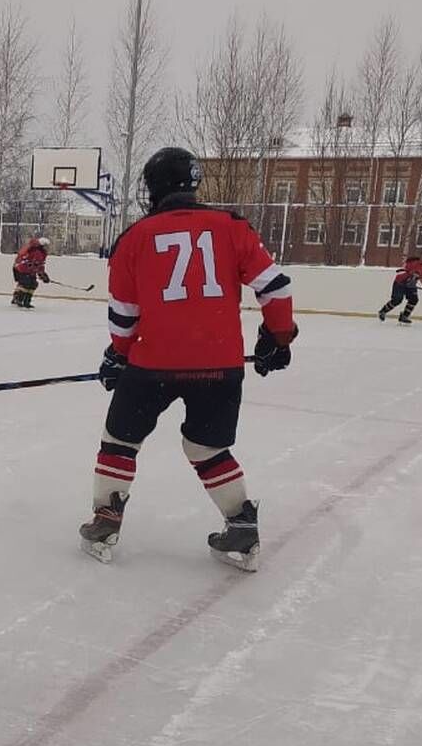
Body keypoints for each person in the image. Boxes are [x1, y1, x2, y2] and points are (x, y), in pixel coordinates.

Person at [79, 147, 296, 571]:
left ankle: (106, 522)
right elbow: (277, 287)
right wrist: (278, 338)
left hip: (153, 363)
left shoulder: (135, 237)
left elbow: (124, 314)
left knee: (120, 440)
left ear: (153, 188)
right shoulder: (232, 226)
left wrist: (117, 356)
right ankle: (241, 529)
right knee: (206, 447)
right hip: (220, 366)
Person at [378, 250, 422, 323]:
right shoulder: (412, 262)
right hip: (400, 283)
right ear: (421, 256)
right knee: (397, 300)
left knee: (414, 299)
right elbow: (402, 271)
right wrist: (408, 278)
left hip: (411, 286)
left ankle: (404, 316)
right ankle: (382, 311)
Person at [11, 236, 51, 308]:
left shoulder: (41, 253)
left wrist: (43, 274)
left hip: (27, 270)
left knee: (33, 284)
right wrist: (40, 273)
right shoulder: (34, 251)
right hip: (21, 269)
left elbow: (39, 265)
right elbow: (28, 262)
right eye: (46, 246)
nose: (48, 248)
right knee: (26, 283)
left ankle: (26, 301)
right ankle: (19, 299)